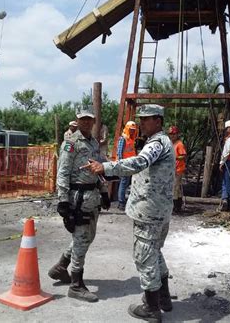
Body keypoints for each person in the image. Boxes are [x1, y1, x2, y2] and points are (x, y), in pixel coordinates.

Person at [82, 104, 174, 322]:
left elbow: (140, 162)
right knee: (155, 252)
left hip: (150, 212)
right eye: (140, 119)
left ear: (158, 121)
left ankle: (152, 308)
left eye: (146, 119)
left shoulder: (157, 143)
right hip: (158, 210)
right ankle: (163, 298)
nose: (141, 123)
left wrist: (106, 167)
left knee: (144, 256)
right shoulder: (159, 142)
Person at [48, 105, 111, 303]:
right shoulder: (71, 143)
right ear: (77, 119)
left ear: (93, 122)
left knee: (87, 236)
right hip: (78, 197)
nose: (86, 122)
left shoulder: (94, 143)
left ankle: (61, 266)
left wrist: (104, 192)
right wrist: (63, 202)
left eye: (89, 119)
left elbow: (98, 170)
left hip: (92, 196)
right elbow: (63, 172)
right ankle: (76, 285)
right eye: (82, 119)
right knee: (82, 238)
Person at [116, 121, 138, 210]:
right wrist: (121, 163)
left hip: (130, 164)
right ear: (127, 129)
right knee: (124, 182)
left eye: (133, 130)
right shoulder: (123, 138)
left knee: (127, 182)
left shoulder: (131, 139)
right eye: (131, 129)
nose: (132, 131)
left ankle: (124, 201)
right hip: (125, 164)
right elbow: (119, 152)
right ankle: (121, 202)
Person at [168, 125, 187, 214]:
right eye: (170, 134)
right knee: (177, 188)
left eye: (174, 134)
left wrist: (174, 157)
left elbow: (183, 156)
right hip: (173, 169)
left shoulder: (179, 144)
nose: (172, 136)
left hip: (178, 169)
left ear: (177, 134)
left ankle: (175, 207)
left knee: (175, 188)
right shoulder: (171, 143)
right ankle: (178, 206)